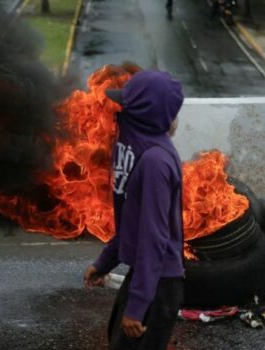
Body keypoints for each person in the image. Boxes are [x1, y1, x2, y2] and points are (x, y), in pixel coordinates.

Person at [83, 70, 185, 350]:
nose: (118, 111)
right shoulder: (137, 152)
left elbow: (153, 239)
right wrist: (103, 263)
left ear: (142, 113)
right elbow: (130, 222)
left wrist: (138, 307)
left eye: (125, 106)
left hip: (159, 283)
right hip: (145, 275)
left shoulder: (154, 162)